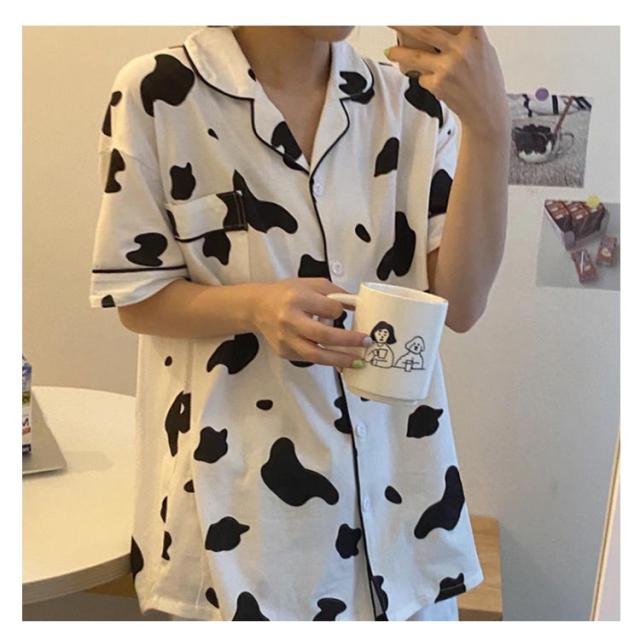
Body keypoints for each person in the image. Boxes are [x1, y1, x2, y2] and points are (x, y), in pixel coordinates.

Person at [89, 25, 509, 621]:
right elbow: (136, 294)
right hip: (241, 534)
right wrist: (254, 307)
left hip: (402, 527)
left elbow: (461, 305)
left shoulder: (411, 104)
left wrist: (490, 127)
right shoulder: (159, 92)